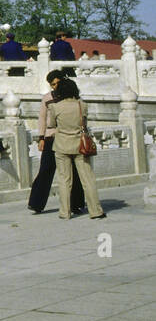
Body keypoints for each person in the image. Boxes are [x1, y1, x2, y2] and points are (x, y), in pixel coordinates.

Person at [46, 78, 105, 219]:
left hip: (61, 145)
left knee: (64, 180)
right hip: (80, 145)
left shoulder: (55, 107)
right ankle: (95, 211)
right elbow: (84, 123)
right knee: (87, 179)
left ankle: (64, 212)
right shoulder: (82, 105)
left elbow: (51, 125)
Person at [28, 70, 85, 214]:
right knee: (46, 169)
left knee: (74, 171)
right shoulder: (47, 98)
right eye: (52, 85)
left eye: (56, 83)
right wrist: (41, 137)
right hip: (51, 138)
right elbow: (42, 118)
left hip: (69, 137)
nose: (54, 87)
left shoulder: (72, 97)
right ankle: (36, 203)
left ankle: (76, 203)